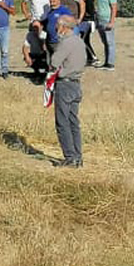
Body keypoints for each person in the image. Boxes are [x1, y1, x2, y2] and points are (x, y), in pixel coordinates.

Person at [49, 14, 86, 167]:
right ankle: (77, 156)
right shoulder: (79, 41)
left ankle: (70, 158)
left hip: (65, 84)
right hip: (76, 84)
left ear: (64, 27)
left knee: (62, 122)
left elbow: (54, 62)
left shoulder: (66, 43)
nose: (56, 28)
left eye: (58, 25)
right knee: (73, 122)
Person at [95, 0, 118, 70]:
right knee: (105, 42)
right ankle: (106, 62)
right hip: (100, 20)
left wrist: (112, 22)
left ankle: (111, 64)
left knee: (110, 42)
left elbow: (114, 8)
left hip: (107, 20)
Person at [75, 0, 98, 65]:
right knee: (86, 41)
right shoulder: (86, 0)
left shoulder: (88, 1)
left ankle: (94, 57)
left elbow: (89, 13)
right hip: (86, 23)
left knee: (83, 40)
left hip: (88, 23)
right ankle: (90, 58)